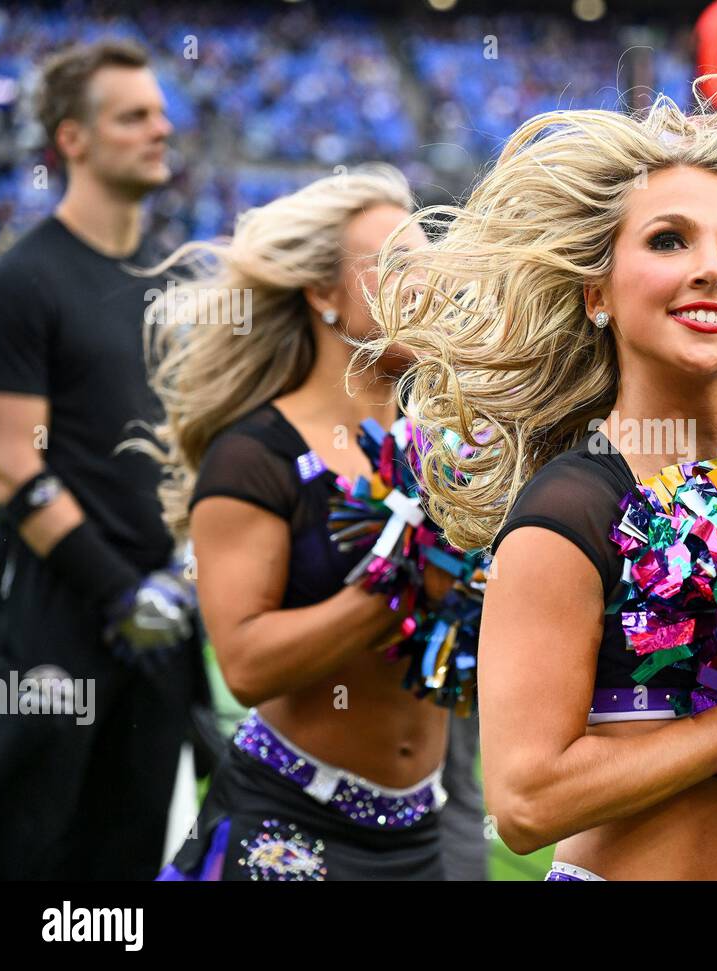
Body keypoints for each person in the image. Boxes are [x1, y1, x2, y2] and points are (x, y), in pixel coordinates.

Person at [374, 74, 717, 880]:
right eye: (668, 240)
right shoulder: (573, 506)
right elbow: (524, 800)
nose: (712, 269)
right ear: (597, 294)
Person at [146, 165, 459, 881]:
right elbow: (248, 663)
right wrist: (404, 584)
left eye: (429, 263)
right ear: (322, 293)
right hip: (289, 831)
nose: (428, 284)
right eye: (397, 264)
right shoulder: (254, 455)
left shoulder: (443, 447)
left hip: (421, 836)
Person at [0, 39, 204, 880]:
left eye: (159, 112)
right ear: (71, 139)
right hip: (60, 621)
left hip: (160, 626)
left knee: (126, 864)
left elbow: (188, 449)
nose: (161, 130)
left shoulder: (169, 283)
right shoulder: (25, 278)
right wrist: (123, 592)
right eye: (134, 116)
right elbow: (12, 466)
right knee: (31, 855)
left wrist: (180, 575)